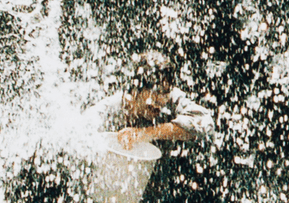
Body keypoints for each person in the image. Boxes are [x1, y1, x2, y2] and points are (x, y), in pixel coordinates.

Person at [82, 47, 216, 151]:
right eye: (155, 92)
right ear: (135, 90)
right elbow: (80, 131)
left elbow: (206, 123)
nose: (160, 101)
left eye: (165, 92)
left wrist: (145, 134)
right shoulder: (112, 108)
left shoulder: (171, 100)